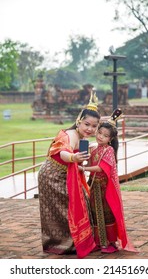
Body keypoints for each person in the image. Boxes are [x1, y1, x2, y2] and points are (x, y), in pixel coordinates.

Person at [38, 91, 100, 259]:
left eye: (94, 126)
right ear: (79, 122)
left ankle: (78, 241)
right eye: (87, 124)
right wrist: (74, 157)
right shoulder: (71, 135)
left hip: (66, 175)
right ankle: (62, 244)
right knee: (64, 209)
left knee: (81, 202)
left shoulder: (83, 138)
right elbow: (64, 152)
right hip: (52, 176)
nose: (90, 129)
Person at [79, 108, 137, 254]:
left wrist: (84, 169)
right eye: (99, 133)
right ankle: (99, 242)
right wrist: (83, 161)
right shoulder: (95, 149)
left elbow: (100, 168)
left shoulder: (108, 151)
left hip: (104, 189)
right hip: (94, 188)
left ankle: (109, 243)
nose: (100, 137)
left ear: (110, 139)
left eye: (105, 136)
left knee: (106, 214)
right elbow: (90, 163)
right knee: (95, 213)